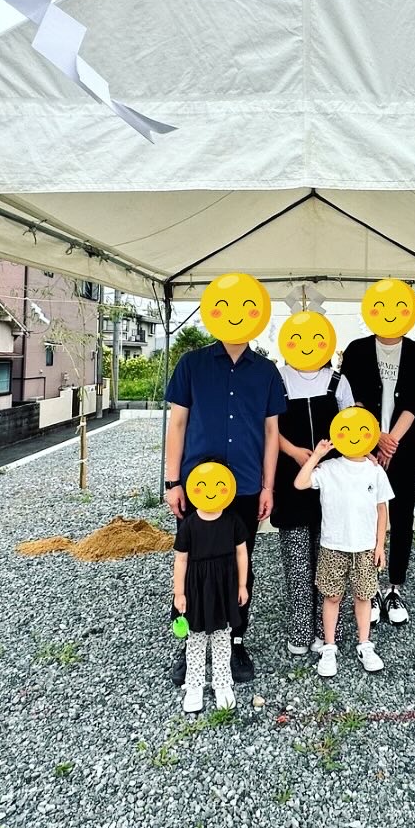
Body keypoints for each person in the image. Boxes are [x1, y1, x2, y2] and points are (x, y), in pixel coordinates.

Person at [164, 276, 287, 686]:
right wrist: (171, 482)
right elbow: (177, 423)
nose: (236, 315)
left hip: (247, 487)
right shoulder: (192, 365)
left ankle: (234, 640)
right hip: (196, 489)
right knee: (193, 565)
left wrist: (268, 486)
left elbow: (271, 433)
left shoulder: (267, 371)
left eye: (246, 307)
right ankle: (190, 644)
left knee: (240, 567)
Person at [340, 286, 415, 627]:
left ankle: (395, 586)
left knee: (403, 513)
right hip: (362, 446)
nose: (390, 312)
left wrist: (391, 440)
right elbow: (352, 398)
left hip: (404, 447)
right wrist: (374, 437)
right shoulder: (358, 350)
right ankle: (370, 587)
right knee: (366, 514)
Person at [273, 352, 355, 656]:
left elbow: (353, 427)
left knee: (330, 555)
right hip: (289, 479)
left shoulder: (338, 381)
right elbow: (269, 427)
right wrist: (293, 451)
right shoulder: (278, 379)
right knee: (296, 560)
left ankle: (326, 627)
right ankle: (300, 626)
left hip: (331, 482)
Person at [295, 435, 393, 677]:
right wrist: (317, 455)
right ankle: (329, 647)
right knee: (332, 596)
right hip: (333, 545)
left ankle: (364, 644)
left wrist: (380, 545)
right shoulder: (329, 468)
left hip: (365, 547)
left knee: (364, 596)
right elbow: (300, 483)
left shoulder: (375, 470)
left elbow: (382, 510)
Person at [172, 481, 249, 712]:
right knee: (195, 640)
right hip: (196, 590)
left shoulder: (233, 521)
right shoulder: (188, 525)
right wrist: (179, 592)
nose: (211, 492)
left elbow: (242, 553)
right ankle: (194, 685)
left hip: (224, 589)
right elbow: (181, 560)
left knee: (222, 639)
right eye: (202, 486)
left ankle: (223, 683)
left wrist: (242, 585)